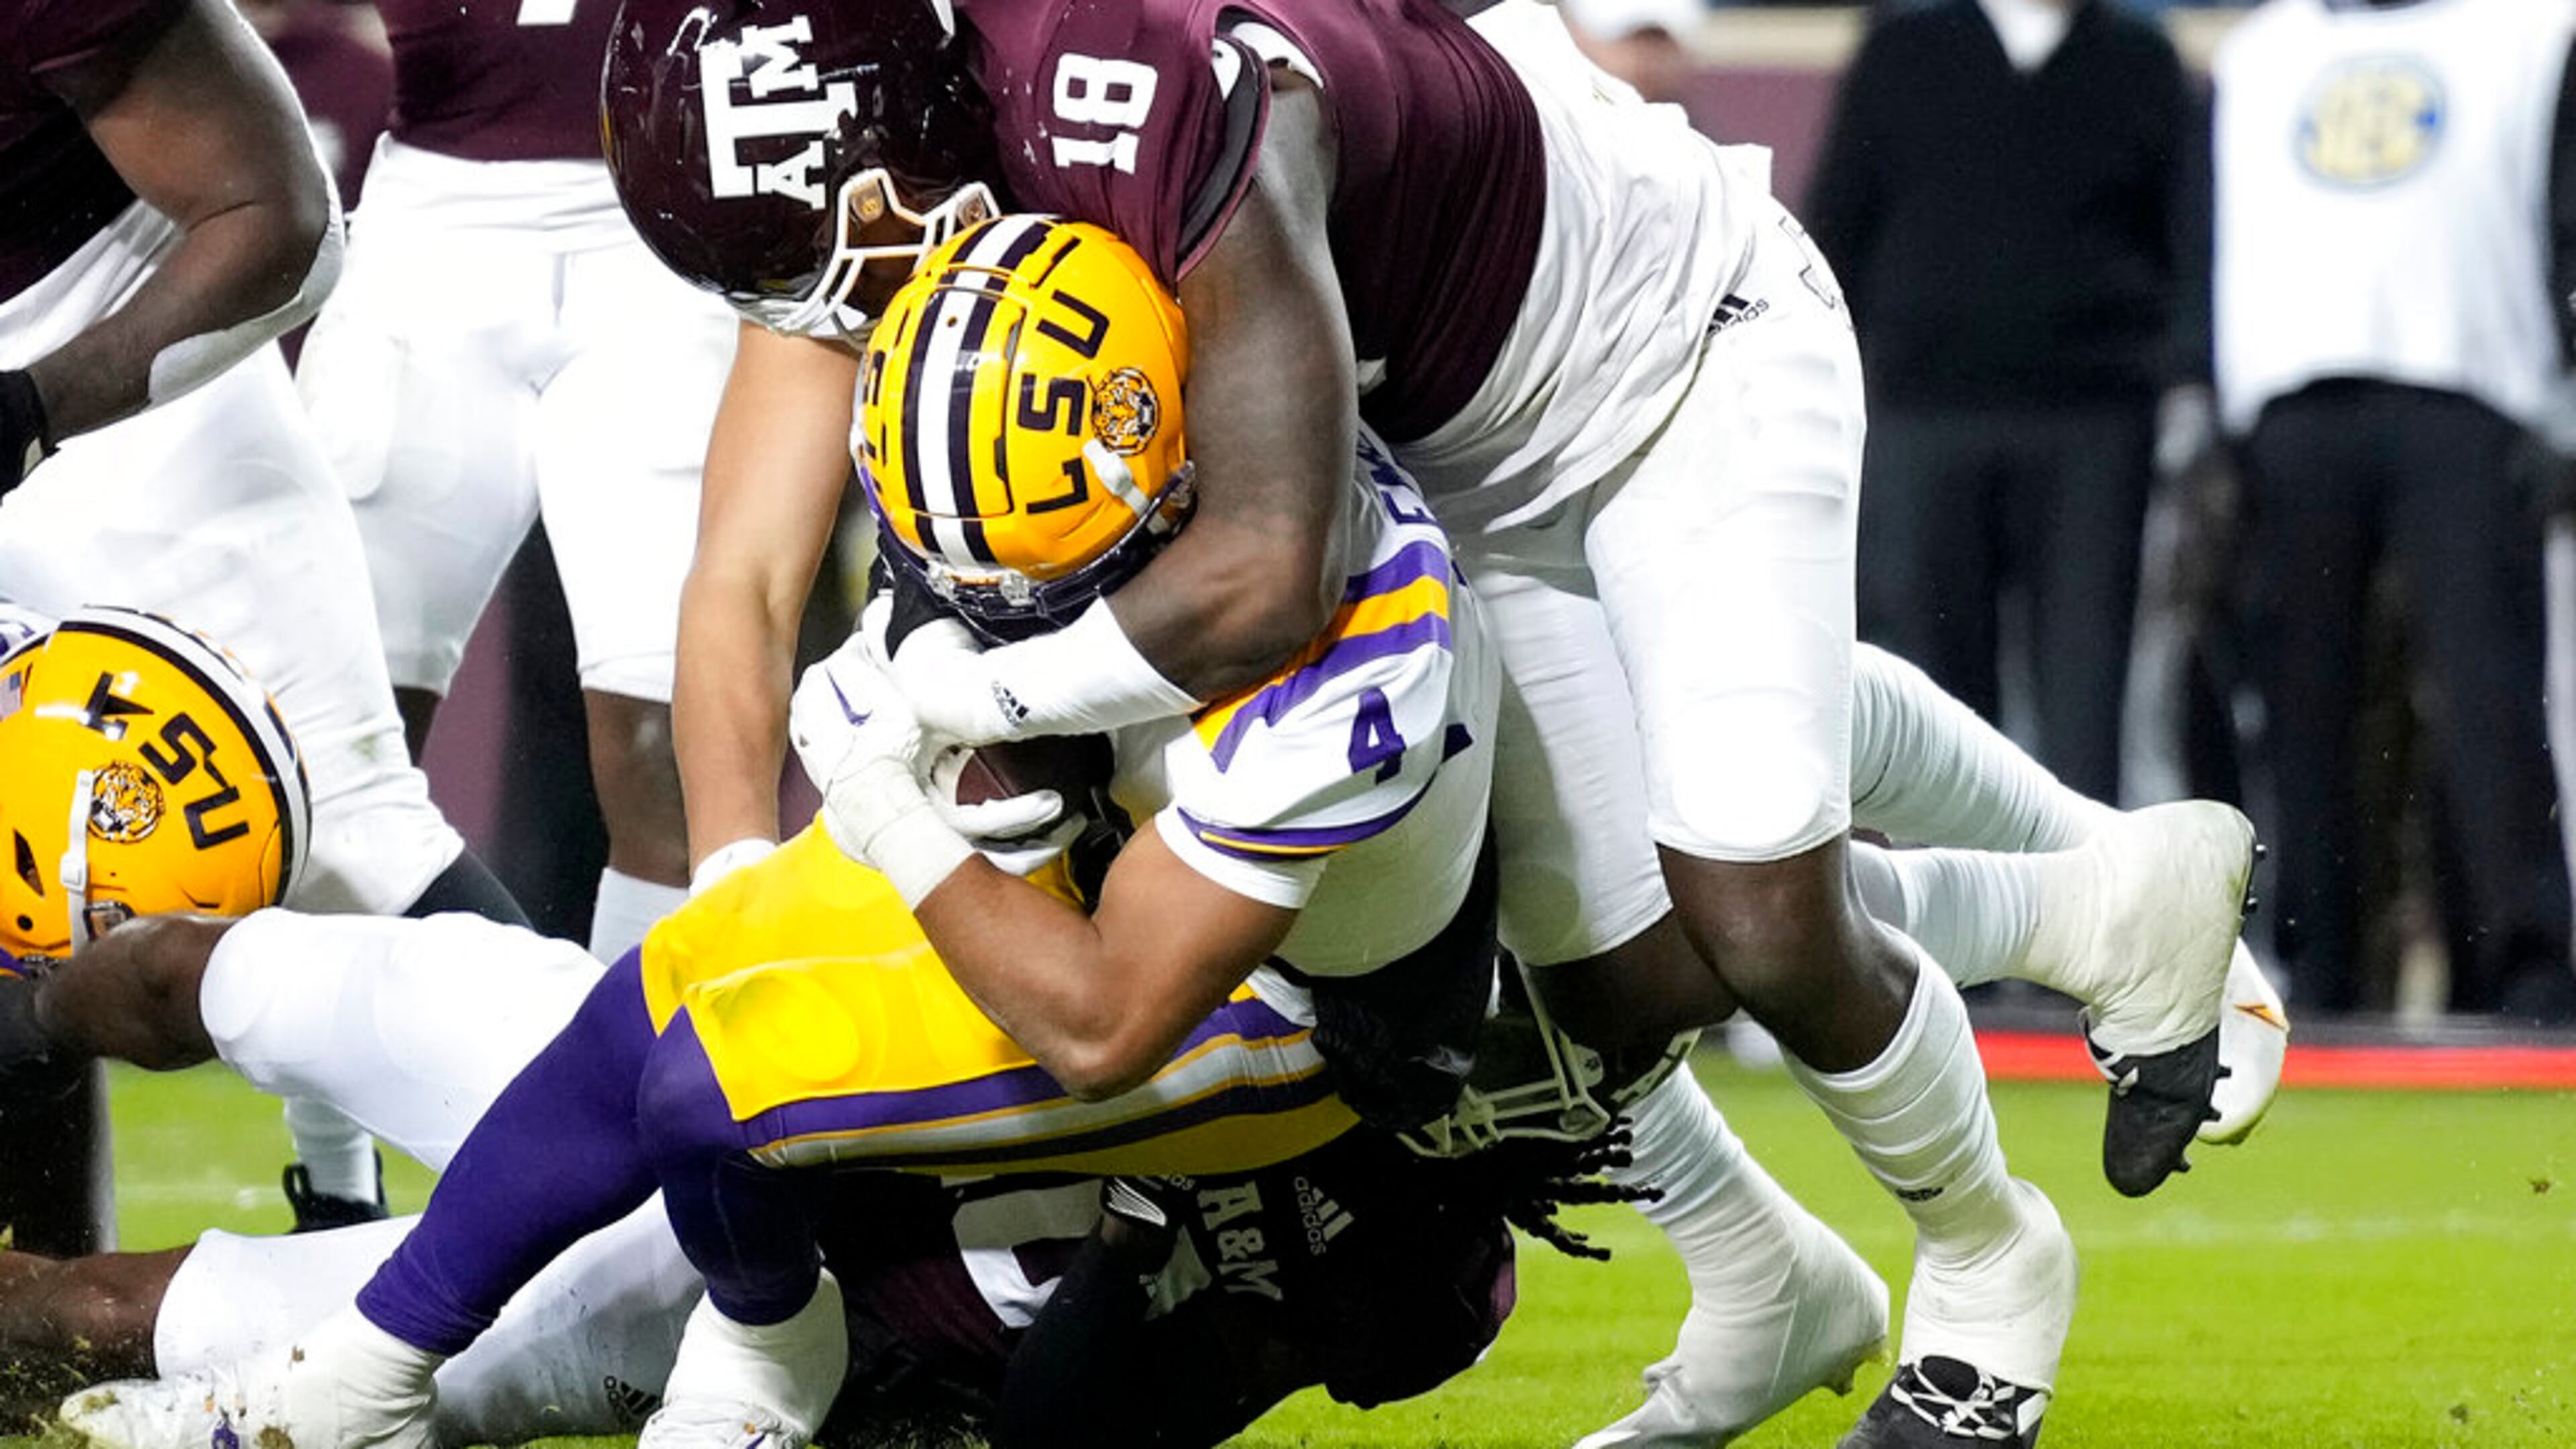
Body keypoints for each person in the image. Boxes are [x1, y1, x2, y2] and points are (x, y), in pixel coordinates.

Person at [604, 3, 2259, 1443]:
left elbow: (1267, 571)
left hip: (1670, 357)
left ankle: (1988, 1264)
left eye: (800, 264)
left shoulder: (1154, 91)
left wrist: (957, 701)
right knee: (1609, 991)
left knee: (1753, 894)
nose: (817, 321)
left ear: (884, 157)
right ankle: (2098, 907)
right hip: (1442, 437)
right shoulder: (978, 123)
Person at [23, 902, 1627, 1449]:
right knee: (212, 973)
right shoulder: (1249, 936)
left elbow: (1070, 1426)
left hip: (746, 1280)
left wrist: (1143, 1212)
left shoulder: (1425, 1281)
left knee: (100, 1316)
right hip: (714, 1065)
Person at [0, 0, 527, 1245]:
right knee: (13, 912)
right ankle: (49, 1312)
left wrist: (29, 410)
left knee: (354, 840)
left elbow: (281, 221)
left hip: (99, 380)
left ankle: (690, 1229)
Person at [291, 0, 741, 963]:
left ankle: (625, 1056)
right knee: (329, 751)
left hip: (665, 221)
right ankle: (355, 1075)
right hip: (433, 233)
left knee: (666, 756)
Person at [2212, 0, 2576, 1020]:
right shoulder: (2259, 54)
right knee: (2304, 705)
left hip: (2476, 393)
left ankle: (2530, 974)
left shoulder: (2530, 32)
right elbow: (2219, 236)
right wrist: (2205, 398)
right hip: (2293, 401)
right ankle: (2320, 972)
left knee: (2491, 699)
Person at [1803, 0, 2212, 808]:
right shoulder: (1901, 52)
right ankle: (1954, 880)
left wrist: (2188, 379)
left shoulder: (2141, 60)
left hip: (2096, 422)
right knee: (1936, 698)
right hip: (1925, 416)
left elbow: (2190, 236)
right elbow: (1837, 227)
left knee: (2087, 694)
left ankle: (2089, 878)